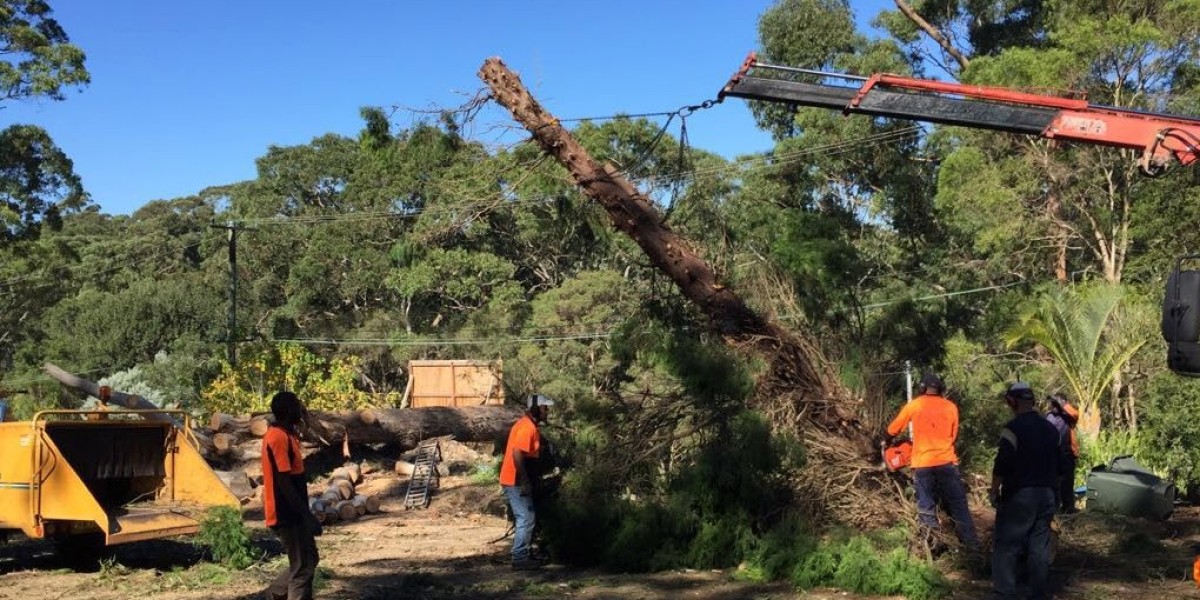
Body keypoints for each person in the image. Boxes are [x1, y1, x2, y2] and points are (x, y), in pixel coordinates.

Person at [885, 373, 979, 551]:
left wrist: (884, 441)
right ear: (940, 389)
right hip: (946, 461)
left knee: (926, 504)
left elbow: (893, 429)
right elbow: (953, 435)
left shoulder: (915, 405)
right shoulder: (951, 407)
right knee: (958, 505)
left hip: (923, 463)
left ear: (922, 388)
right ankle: (972, 548)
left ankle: (932, 545)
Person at [990, 382, 1059, 600]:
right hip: (1047, 494)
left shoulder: (1012, 429)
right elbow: (1060, 466)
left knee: (1007, 545)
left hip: (1021, 495)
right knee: (1039, 547)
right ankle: (1038, 594)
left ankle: (1004, 594)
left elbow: (1002, 464)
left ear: (1012, 402)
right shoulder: (1050, 429)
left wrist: (994, 491)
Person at [262, 391, 322, 600]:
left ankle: (273, 594)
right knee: (302, 567)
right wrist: (306, 516)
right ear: (288, 411)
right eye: (297, 406)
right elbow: (284, 482)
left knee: (309, 559)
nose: (301, 410)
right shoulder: (277, 437)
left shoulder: (288, 436)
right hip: (285, 513)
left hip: (293, 511)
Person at [500, 393, 554, 570]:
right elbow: (517, 453)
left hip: (519, 479)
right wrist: (524, 481)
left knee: (527, 516)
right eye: (545, 408)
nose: (547, 412)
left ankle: (524, 553)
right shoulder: (526, 427)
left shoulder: (531, 426)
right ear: (536, 409)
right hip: (514, 480)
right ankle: (520, 558)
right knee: (526, 516)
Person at [1044, 392, 1080, 513]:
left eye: (1056, 404)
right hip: (1052, 455)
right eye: (1053, 404)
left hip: (1067, 453)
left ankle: (1068, 508)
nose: (1054, 406)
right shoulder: (1049, 417)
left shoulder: (1068, 416)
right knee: (1053, 483)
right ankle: (1054, 508)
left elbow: (1075, 413)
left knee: (1068, 482)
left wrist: (1062, 403)